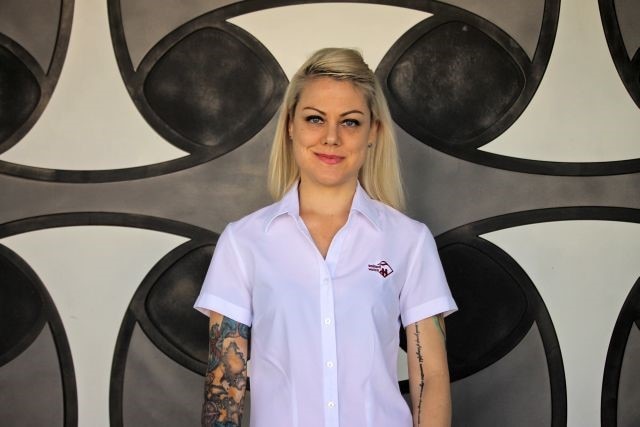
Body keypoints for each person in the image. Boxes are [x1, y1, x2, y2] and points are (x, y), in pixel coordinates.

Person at [194, 47, 457, 427]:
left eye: (350, 122)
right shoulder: (243, 242)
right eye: (315, 119)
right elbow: (224, 387)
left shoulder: (409, 242)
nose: (331, 137)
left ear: (373, 132)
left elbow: (430, 378)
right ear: (290, 125)